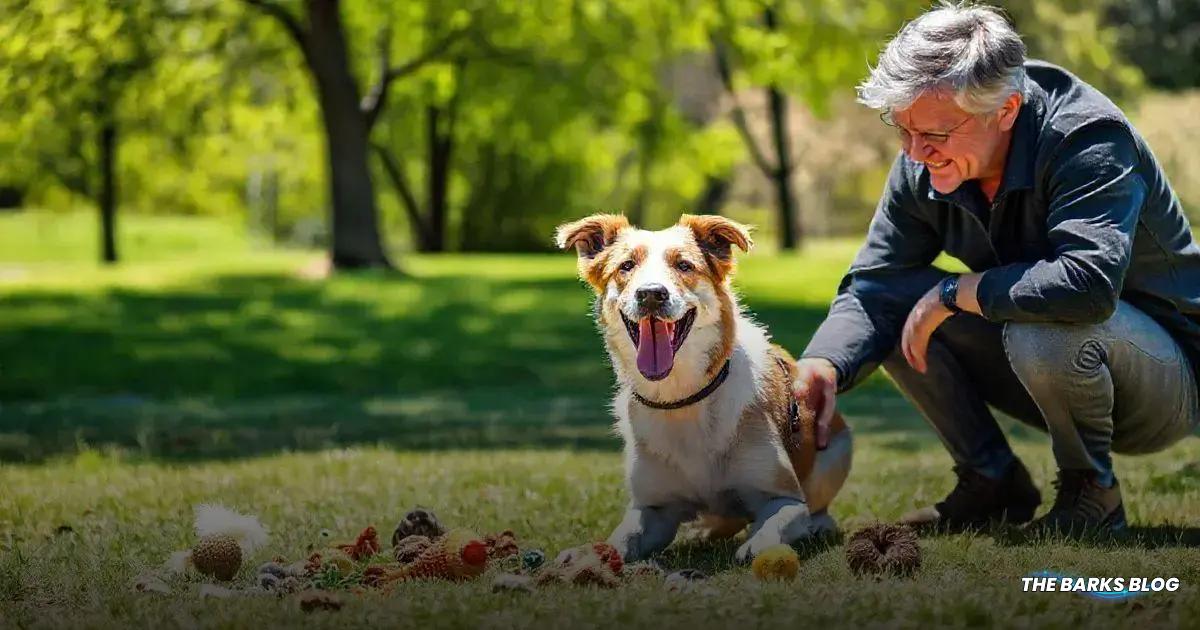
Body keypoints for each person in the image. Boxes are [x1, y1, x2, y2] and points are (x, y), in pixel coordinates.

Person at [795, 1, 1200, 534]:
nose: (915, 154)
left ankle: (1091, 494)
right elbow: (876, 283)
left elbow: (1088, 285)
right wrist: (822, 364)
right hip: (1050, 358)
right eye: (902, 130)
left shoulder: (1088, 137)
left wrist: (954, 292)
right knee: (894, 309)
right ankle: (993, 482)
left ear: (1006, 110)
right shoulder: (923, 154)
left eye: (935, 136)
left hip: (1164, 375)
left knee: (1042, 329)